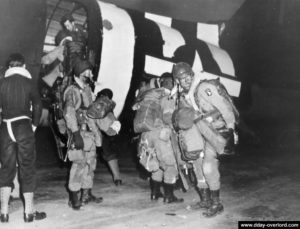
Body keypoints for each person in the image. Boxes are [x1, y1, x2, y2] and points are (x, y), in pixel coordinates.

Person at [172, 62, 239, 217]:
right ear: (178, 81)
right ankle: (205, 200)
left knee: (208, 166)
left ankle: (217, 203)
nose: (186, 79)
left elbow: (224, 107)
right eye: (181, 78)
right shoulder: (186, 95)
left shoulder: (203, 88)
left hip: (216, 131)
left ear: (192, 74)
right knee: (197, 164)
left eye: (187, 75)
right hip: (202, 131)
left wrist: (231, 129)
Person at [0, 53, 46, 223]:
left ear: (9, 67)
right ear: (24, 66)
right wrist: (33, 125)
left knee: (6, 168)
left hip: (5, 127)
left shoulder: (2, 82)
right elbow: (38, 105)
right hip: (23, 126)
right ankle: (29, 213)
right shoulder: (29, 82)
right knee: (27, 167)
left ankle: (4, 213)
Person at [135, 73, 184, 203]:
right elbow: (168, 117)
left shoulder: (151, 95)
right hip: (162, 135)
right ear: (171, 82)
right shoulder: (168, 97)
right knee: (170, 165)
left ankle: (155, 193)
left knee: (156, 165)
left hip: (148, 135)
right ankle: (169, 196)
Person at [63, 59, 103, 210]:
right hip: (79, 132)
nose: (91, 74)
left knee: (90, 164)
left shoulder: (86, 89)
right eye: (89, 71)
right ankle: (74, 198)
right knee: (78, 164)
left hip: (90, 134)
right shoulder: (72, 91)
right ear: (81, 73)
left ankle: (86, 194)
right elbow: (69, 112)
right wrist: (75, 133)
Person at [96, 89, 122, 186]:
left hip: (95, 132)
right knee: (110, 154)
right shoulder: (109, 106)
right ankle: (117, 178)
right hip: (105, 132)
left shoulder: (96, 104)